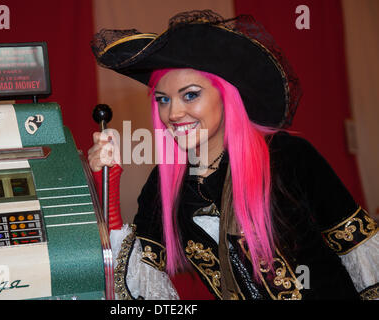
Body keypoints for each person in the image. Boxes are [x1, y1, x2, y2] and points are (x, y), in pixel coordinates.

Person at [88, 10, 378, 300]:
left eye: (190, 95)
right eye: (163, 100)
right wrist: (108, 184)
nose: (173, 113)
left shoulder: (288, 156)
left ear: (226, 95)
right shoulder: (164, 184)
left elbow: (359, 251)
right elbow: (141, 285)